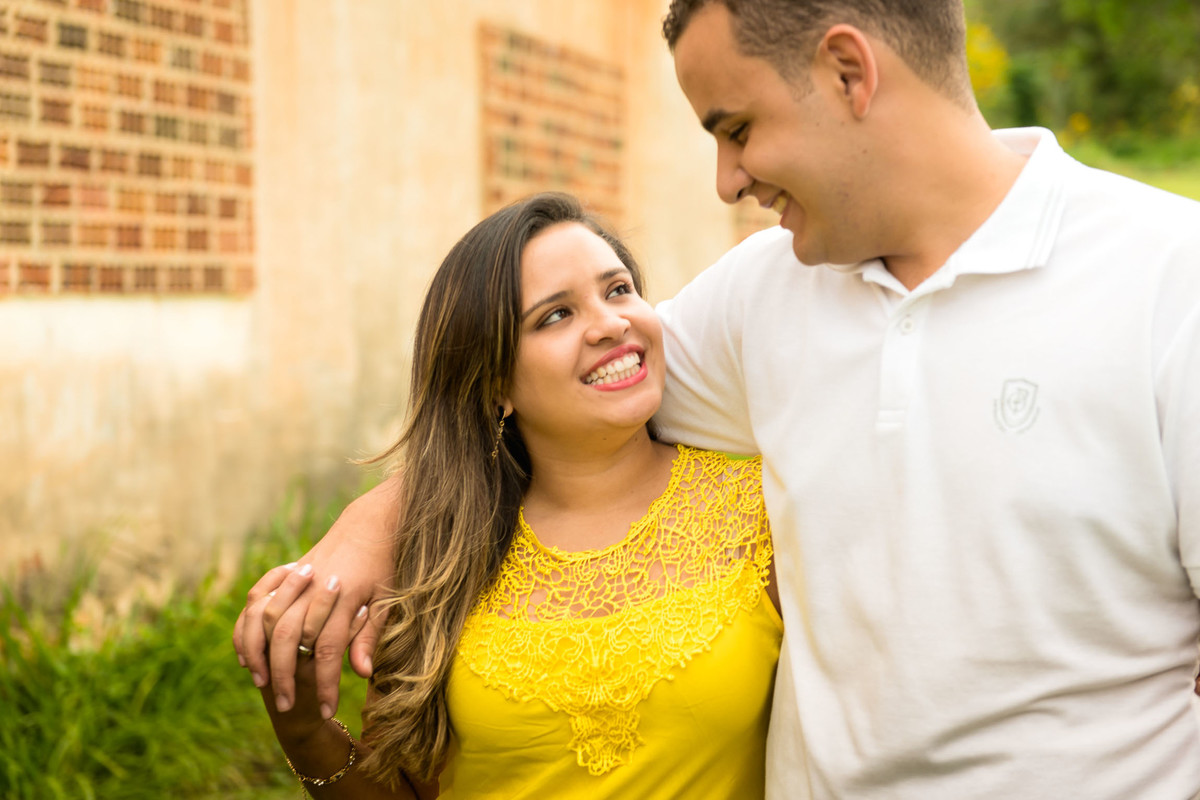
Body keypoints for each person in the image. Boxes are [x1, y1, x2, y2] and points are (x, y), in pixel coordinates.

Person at [237, 1, 1200, 796]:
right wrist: (365, 532)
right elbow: (553, 408)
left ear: (848, 73)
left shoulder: (1170, 281)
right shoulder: (764, 292)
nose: (727, 179)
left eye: (736, 128)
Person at [237, 192, 782, 797]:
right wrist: (304, 732)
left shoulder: (762, 515)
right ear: (495, 382)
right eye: (556, 315)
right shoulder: (438, 563)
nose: (610, 324)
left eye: (618, 289)